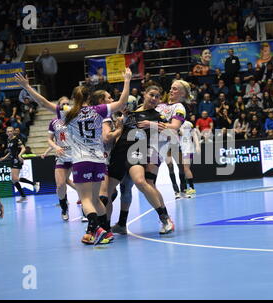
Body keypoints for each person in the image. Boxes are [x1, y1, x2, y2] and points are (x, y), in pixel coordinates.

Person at [14, 68, 132, 245]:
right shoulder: (99, 110)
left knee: (85, 199)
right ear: (88, 97)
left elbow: (44, 103)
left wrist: (28, 87)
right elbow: (122, 102)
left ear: (74, 98)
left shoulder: (69, 112)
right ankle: (106, 231)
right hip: (99, 160)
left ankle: (96, 229)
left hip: (81, 160)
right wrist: (127, 80)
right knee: (95, 199)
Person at [106, 85, 178, 235]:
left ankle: (165, 219)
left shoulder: (157, 115)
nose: (154, 99)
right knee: (114, 190)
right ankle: (111, 226)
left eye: (157, 97)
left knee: (140, 181)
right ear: (144, 94)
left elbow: (173, 134)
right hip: (118, 153)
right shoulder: (130, 110)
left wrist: (152, 125)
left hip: (137, 151)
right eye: (152, 95)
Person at [41, 97, 74, 221]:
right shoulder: (54, 122)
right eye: (63, 104)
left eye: (67, 103)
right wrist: (55, 147)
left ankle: (85, 211)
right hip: (61, 157)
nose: (65, 105)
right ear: (58, 106)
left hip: (76, 156)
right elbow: (49, 139)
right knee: (60, 185)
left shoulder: (74, 119)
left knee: (80, 184)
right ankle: (64, 208)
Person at [0, 126, 40, 202]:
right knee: (13, 180)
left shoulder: (16, 139)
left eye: (11, 131)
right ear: (6, 132)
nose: (9, 133)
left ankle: (34, 183)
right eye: (8, 131)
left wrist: (19, 155)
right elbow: (10, 151)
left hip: (17, 160)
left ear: (13, 132)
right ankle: (23, 196)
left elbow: (23, 148)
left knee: (15, 179)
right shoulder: (8, 140)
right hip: (12, 160)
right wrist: (4, 157)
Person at [166, 117, 200, 199]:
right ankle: (176, 191)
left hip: (179, 148)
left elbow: (187, 134)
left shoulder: (186, 124)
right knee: (170, 167)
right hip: (167, 147)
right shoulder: (167, 123)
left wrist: (197, 145)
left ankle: (184, 189)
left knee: (182, 168)